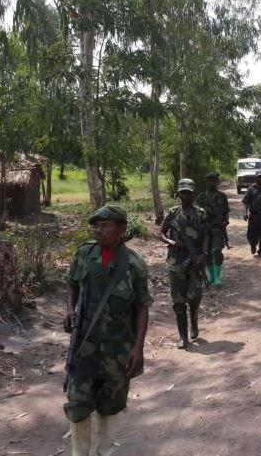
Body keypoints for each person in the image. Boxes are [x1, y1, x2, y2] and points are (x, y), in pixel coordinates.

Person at [63, 205, 152, 456]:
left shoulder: (134, 263)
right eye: (96, 226)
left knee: (110, 406)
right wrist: (69, 310)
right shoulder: (84, 253)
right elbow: (72, 284)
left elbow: (142, 307)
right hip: (84, 346)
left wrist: (138, 348)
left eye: (105, 225)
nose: (98, 230)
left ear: (121, 229)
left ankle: (104, 451)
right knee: (77, 404)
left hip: (118, 348)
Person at [161, 178, 208, 349]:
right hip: (176, 262)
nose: (186, 196)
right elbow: (161, 232)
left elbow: (206, 235)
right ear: (179, 194)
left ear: (193, 194)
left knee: (195, 296)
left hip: (195, 262)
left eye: (189, 193)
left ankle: (194, 321)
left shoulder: (200, 213)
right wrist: (171, 242)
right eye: (183, 193)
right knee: (178, 300)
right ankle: (183, 336)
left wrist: (203, 254)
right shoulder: (173, 213)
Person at [196, 172, 230, 287]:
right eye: (210, 180)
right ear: (207, 182)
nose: (212, 183)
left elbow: (226, 211)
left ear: (217, 182)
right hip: (204, 230)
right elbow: (196, 213)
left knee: (216, 251)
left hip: (218, 229)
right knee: (207, 253)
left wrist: (225, 222)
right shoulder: (201, 197)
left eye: (214, 180)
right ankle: (211, 276)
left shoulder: (222, 196)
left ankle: (217, 277)